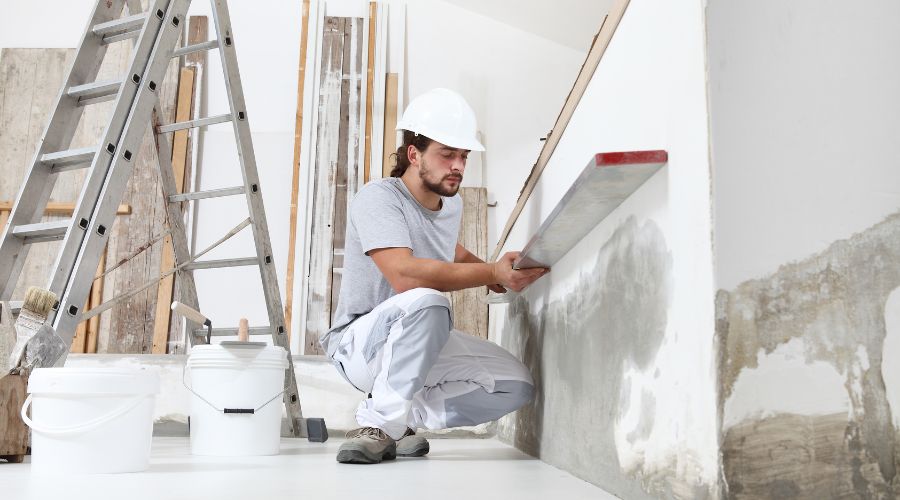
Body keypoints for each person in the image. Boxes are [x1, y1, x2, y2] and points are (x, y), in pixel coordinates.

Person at [320, 88, 549, 464]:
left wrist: (493, 273)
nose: (458, 165)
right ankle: (376, 423)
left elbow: (449, 249)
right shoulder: (379, 198)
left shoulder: (451, 204)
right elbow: (404, 276)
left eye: (464, 156)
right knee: (429, 300)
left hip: (417, 338)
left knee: (513, 385)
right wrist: (489, 271)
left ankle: (400, 418)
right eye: (447, 154)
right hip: (360, 346)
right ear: (414, 154)